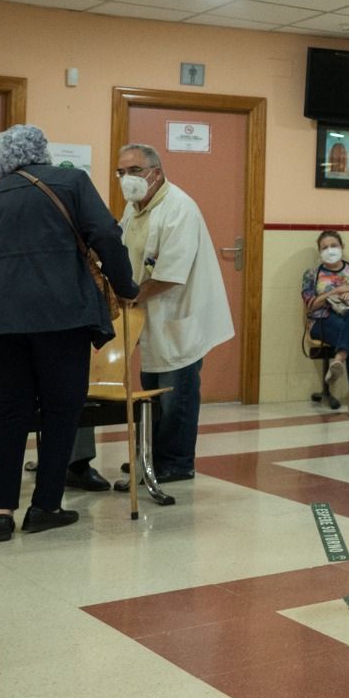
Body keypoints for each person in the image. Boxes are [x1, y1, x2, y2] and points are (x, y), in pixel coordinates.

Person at [0, 125, 137, 542]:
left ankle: (0, 511)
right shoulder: (72, 181)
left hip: (1, 322)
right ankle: (46, 507)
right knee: (60, 411)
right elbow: (106, 234)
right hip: (62, 317)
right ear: (42, 152)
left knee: (9, 412)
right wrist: (125, 286)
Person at [115, 143, 233, 482]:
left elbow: (168, 275)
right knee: (152, 387)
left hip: (178, 313)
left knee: (176, 394)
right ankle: (151, 456)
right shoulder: (135, 207)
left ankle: (177, 463)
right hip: (149, 315)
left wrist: (132, 297)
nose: (127, 178)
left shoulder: (179, 208)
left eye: (135, 171)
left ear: (156, 172)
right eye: (121, 172)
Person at [302, 231, 349, 417]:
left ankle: (339, 357)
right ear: (319, 252)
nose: (330, 250)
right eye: (325, 247)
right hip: (323, 321)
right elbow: (310, 305)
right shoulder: (312, 274)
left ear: (342, 247)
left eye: (334, 245)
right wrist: (337, 291)